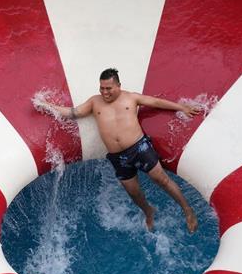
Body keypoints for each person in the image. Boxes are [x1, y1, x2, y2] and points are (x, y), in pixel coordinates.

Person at [35, 68, 201, 232]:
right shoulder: (94, 102)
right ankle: (148, 211)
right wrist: (47, 106)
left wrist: (181, 107)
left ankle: (187, 210)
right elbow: (73, 112)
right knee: (133, 192)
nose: (104, 92)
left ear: (118, 86)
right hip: (118, 157)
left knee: (161, 180)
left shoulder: (131, 98)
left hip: (139, 148)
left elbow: (156, 102)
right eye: (101, 88)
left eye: (108, 88)